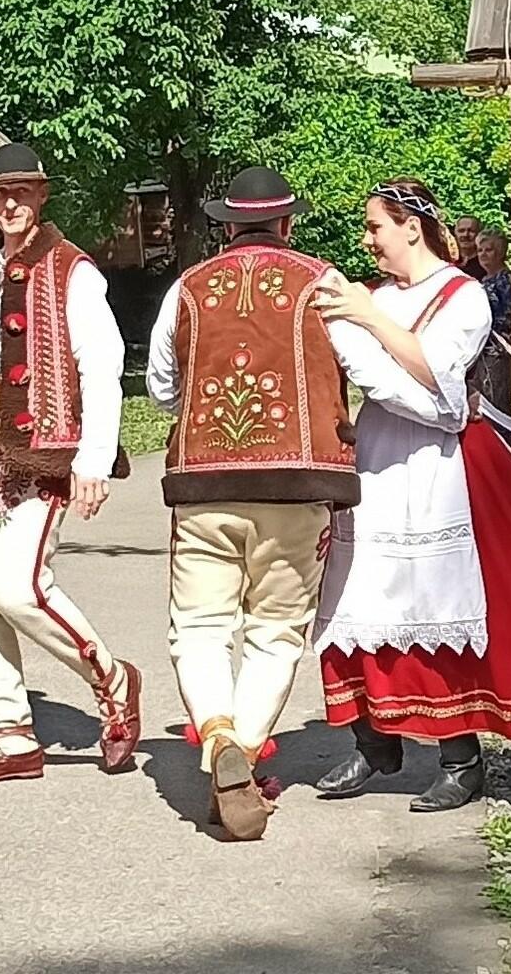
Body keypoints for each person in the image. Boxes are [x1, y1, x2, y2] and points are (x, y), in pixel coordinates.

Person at [312, 180, 511, 812]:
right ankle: (373, 739)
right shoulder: (375, 295)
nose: (367, 240)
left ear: (411, 227)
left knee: (433, 602)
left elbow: (437, 386)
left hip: (441, 465)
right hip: (378, 454)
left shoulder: (464, 298)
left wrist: (367, 322)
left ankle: (460, 759)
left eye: (375, 226)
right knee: (357, 592)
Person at [145, 167, 359, 839]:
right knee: (276, 629)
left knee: (201, 625)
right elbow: (360, 368)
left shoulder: (187, 287)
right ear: (288, 222)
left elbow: (159, 386)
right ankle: (245, 741)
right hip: (298, 483)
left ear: (227, 225)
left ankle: (216, 736)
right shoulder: (323, 283)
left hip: (204, 483)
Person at [0, 143, 139, 787]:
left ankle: (112, 679)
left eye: (23, 191)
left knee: (18, 592)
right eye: (0, 193)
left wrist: (94, 458)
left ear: (43, 195)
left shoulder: (73, 271)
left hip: (38, 450)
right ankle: (12, 733)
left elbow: (100, 367)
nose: (12, 203)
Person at [471, 229, 511, 423]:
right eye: (480, 250)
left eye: (488, 250)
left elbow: (509, 317)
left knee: (497, 405)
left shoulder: (507, 281)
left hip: (498, 352)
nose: (483, 255)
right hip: (482, 352)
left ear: (500, 252)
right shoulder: (483, 281)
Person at [454, 214, 485, 280]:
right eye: (461, 231)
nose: (466, 235)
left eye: (471, 231)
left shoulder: (487, 264)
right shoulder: (448, 261)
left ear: (479, 234)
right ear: (455, 233)